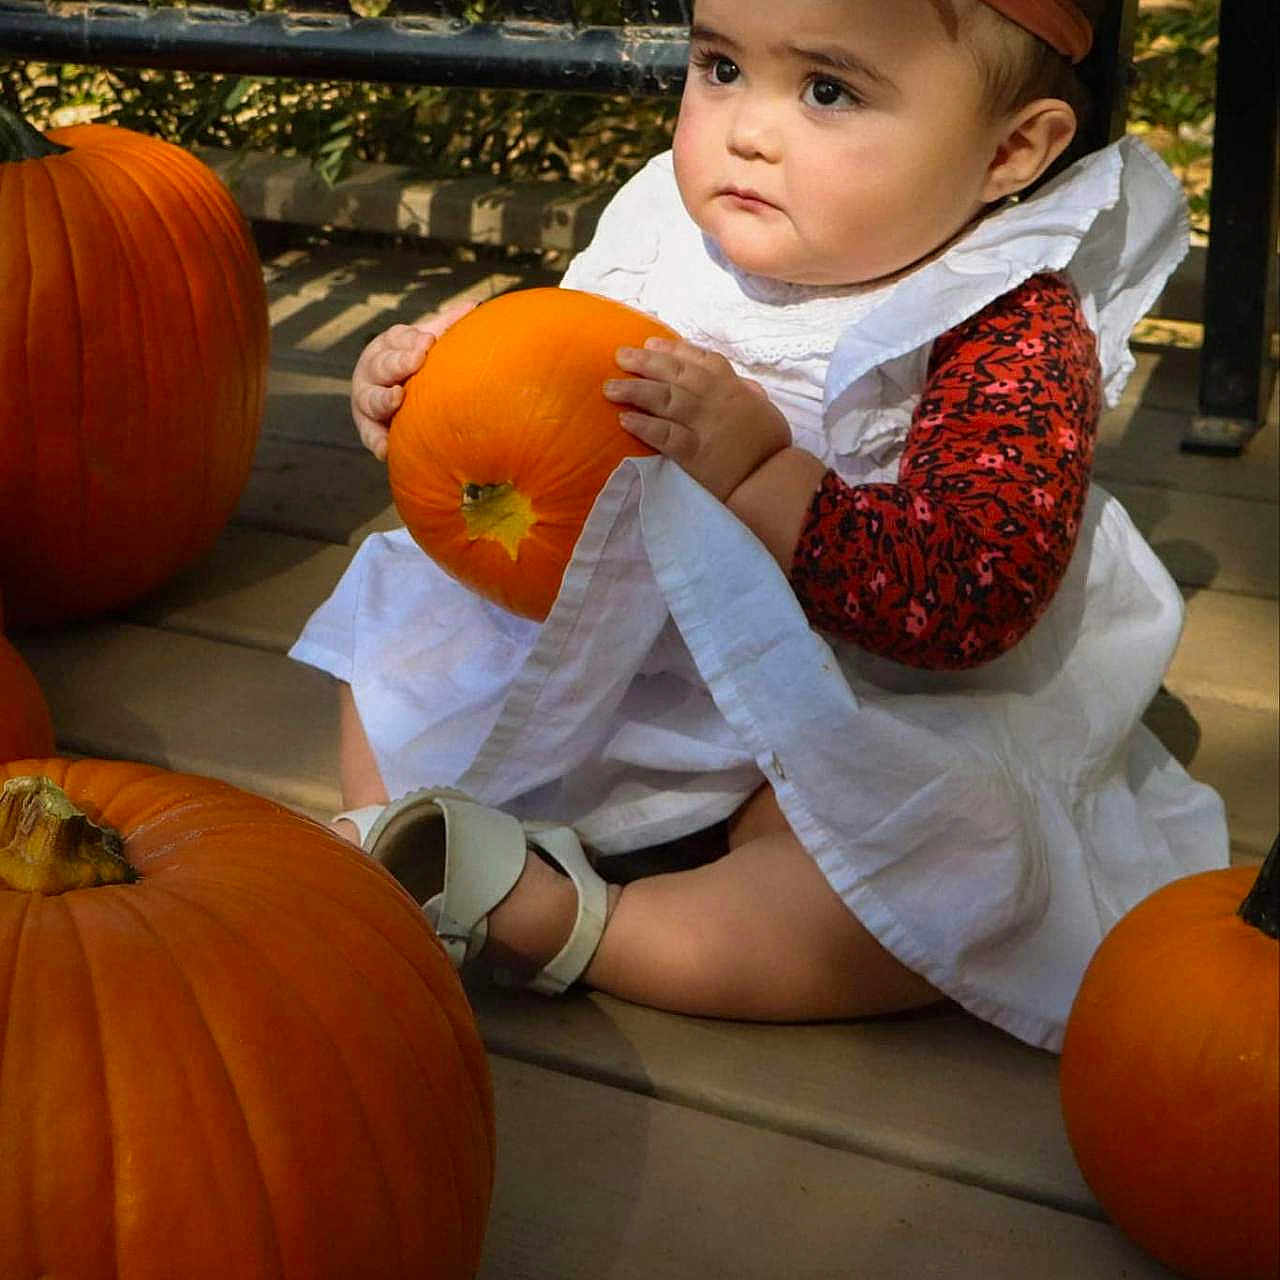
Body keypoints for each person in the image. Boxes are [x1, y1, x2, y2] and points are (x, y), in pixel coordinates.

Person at [290, 0, 1228, 1051]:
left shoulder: (999, 318)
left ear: (1008, 150)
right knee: (401, 617)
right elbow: (560, 370)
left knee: (933, 870)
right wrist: (442, 380)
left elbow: (965, 592)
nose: (745, 128)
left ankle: (587, 928)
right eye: (719, 66)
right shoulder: (673, 223)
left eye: (826, 90)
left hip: (837, 693)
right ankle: (389, 831)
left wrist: (758, 470)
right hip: (601, 638)